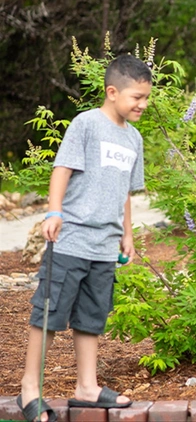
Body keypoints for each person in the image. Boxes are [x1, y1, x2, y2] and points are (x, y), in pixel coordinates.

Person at [18, 54, 151, 422]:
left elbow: (124, 190)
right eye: (135, 97)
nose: (142, 104)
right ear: (112, 92)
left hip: (105, 246)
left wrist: (127, 234)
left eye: (145, 98)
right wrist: (54, 211)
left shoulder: (134, 139)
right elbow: (62, 168)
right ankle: (30, 388)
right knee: (49, 312)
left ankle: (87, 388)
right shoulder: (87, 125)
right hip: (71, 237)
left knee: (92, 317)